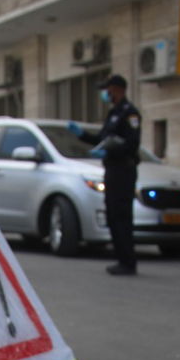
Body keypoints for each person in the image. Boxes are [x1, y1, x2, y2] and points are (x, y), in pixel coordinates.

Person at [68, 74, 141, 275]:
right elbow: (101, 139)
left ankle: (128, 261)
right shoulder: (113, 113)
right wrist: (81, 134)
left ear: (117, 89)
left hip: (124, 170)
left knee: (122, 215)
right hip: (111, 169)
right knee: (112, 214)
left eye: (107, 89)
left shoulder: (130, 113)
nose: (105, 94)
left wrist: (111, 151)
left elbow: (132, 144)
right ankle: (121, 258)